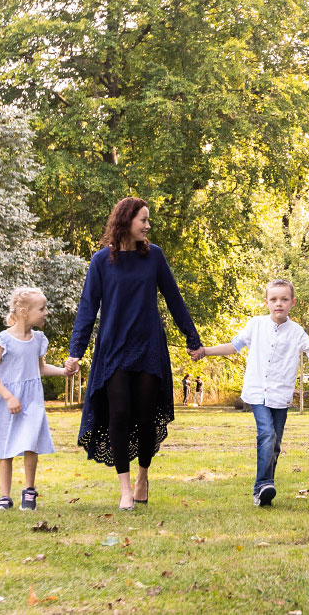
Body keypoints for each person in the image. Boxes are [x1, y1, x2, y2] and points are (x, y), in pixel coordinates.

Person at [65, 197, 202, 510]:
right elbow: (87, 309)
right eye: (143, 219)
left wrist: (192, 339)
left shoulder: (153, 256)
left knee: (144, 414)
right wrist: (76, 351)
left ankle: (143, 475)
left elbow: (174, 299)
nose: (148, 225)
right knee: (120, 414)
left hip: (148, 347)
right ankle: (125, 488)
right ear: (126, 220)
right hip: (113, 349)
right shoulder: (101, 261)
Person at [191, 279, 309, 506]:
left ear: (292, 302)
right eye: (274, 299)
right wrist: (205, 351)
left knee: (275, 443)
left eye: (284, 299)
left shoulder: (296, 332)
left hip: (281, 396)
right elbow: (233, 346)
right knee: (266, 434)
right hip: (258, 393)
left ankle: (263, 490)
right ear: (266, 302)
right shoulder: (255, 325)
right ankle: (263, 484)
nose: (279, 304)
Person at [0, 287, 74, 511]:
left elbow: (40, 368)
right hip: (8, 400)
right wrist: (8, 396)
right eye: (42, 308)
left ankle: (29, 491)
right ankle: (5, 496)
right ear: (24, 311)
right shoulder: (3, 340)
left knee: (31, 442)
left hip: (32, 399)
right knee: (7, 446)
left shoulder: (38, 339)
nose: (46, 312)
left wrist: (64, 371)